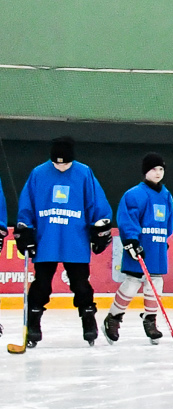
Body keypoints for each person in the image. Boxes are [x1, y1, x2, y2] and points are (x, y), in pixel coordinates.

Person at [13, 136, 113, 347]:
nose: (61, 167)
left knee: (81, 285)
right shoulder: (38, 173)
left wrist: (100, 229)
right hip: (46, 240)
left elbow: (98, 205)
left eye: (65, 163)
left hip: (75, 240)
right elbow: (26, 207)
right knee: (41, 285)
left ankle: (88, 321)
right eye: (57, 163)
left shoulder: (84, 173)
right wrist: (25, 231)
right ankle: (33, 325)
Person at [106, 153, 173, 344]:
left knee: (156, 283)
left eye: (161, 169)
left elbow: (168, 223)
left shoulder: (166, 195)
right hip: (139, 247)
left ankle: (150, 320)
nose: (158, 172)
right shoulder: (134, 194)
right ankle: (114, 317)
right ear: (146, 171)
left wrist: (163, 240)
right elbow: (127, 220)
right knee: (133, 282)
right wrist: (132, 242)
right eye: (154, 169)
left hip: (157, 247)